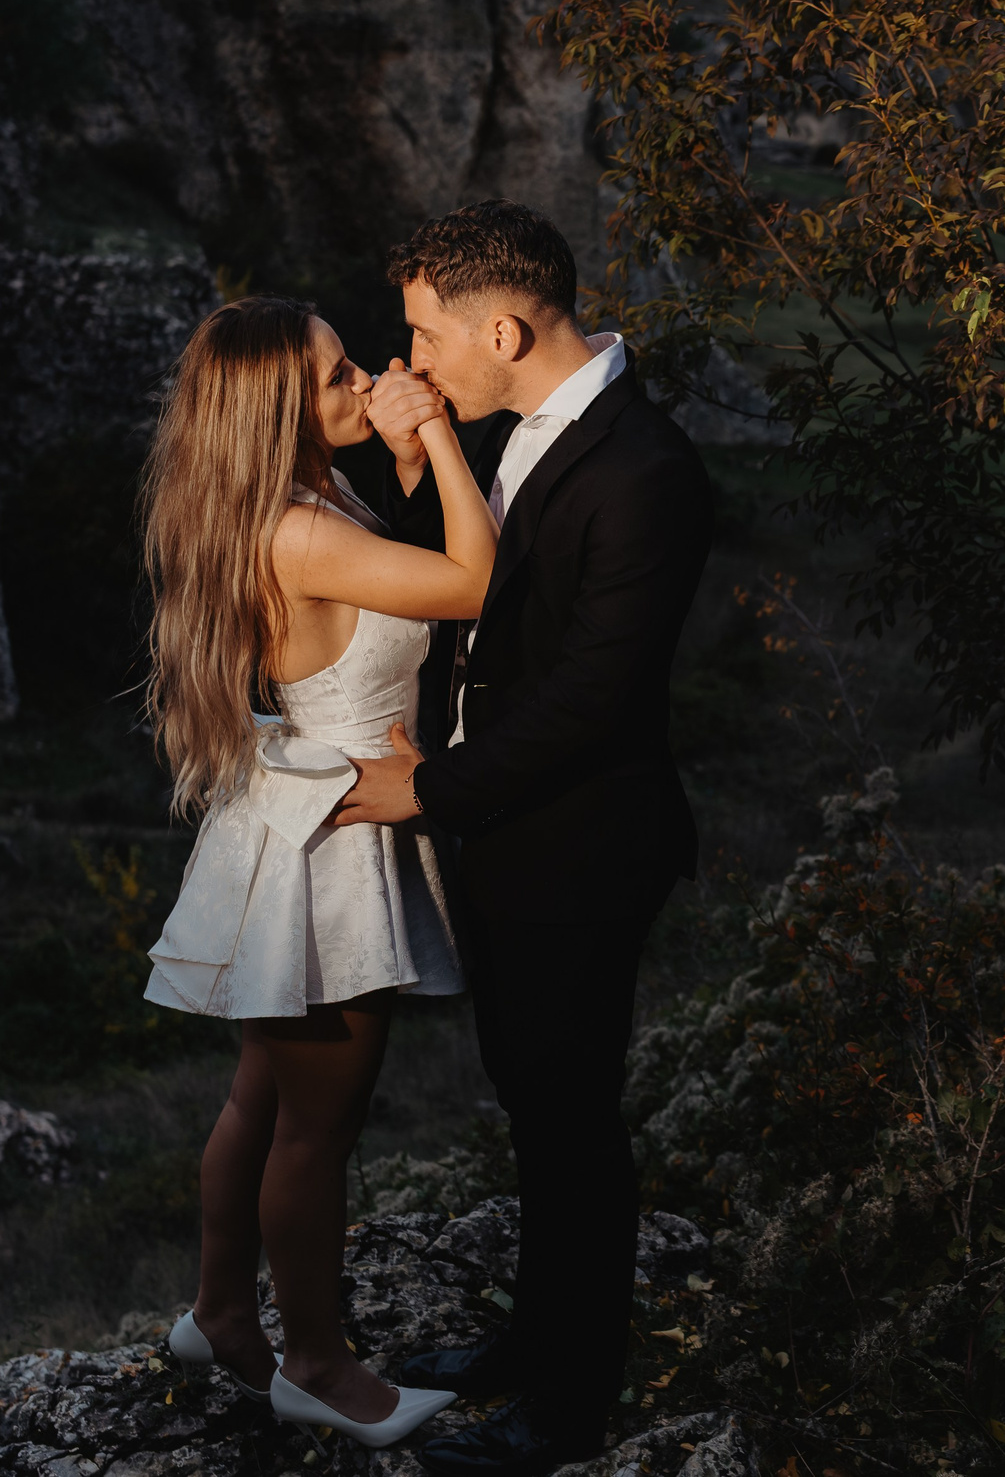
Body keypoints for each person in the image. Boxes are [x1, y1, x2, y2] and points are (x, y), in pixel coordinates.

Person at [331, 199, 715, 1476]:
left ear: (502, 326)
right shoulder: (522, 427)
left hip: (581, 842)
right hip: (511, 835)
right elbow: (472, 596)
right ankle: (531, 1344)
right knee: (532, 1103)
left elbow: (592, 697)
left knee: (570, 1120)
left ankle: (570, 1402)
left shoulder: (646, 471)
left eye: (425, 337)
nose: (410, 363)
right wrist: (415, 449)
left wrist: (426, 791)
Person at [137, 295, 494, 1449]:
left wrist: (387, 450)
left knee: (261, 1093)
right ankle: (320, 1366)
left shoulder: (301, 504)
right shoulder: (298, 530)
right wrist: (436, 430)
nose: (369, 378)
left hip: (302, 813)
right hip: (333, 846)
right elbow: (474, 584)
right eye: (340, 375)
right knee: (316, 1129)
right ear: (282, 408)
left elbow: (375, 580)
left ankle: (218, 1312)